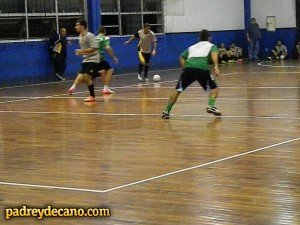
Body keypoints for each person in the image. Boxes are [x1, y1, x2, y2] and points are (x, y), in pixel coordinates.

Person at [162, 30, 221, 119]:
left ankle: (166, 111)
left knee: (178, 89)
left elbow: (181, 57)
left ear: (199, 38)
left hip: (188, 69)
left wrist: (185, 69)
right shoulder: (212, 46)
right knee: (214, 89)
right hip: (202, 69)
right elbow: (214, 55)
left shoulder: (192, 47)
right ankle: (210, 105)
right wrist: (216, 66)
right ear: (209, 38)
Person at [67, 19, 100, 102]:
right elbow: (84, 49)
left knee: (86, 77)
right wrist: (80, 52)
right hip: (86, 59)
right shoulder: (80, 36)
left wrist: (82, 51)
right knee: (80, 75)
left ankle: (92, 96)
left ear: (82, 26)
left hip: (93, 59)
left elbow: (95, 48)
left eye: (77, 25)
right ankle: (73, 87)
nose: (75, 27)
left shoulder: (90, 36)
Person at [96, 26, 118, 94]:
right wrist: (114, 57)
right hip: (100, 58)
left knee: (102, 71)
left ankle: (106, 87)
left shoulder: (95, 38)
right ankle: (106, 88)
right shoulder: (105, 38)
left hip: (92, 58)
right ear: (104, 32)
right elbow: (108, 47)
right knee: (110, 70)